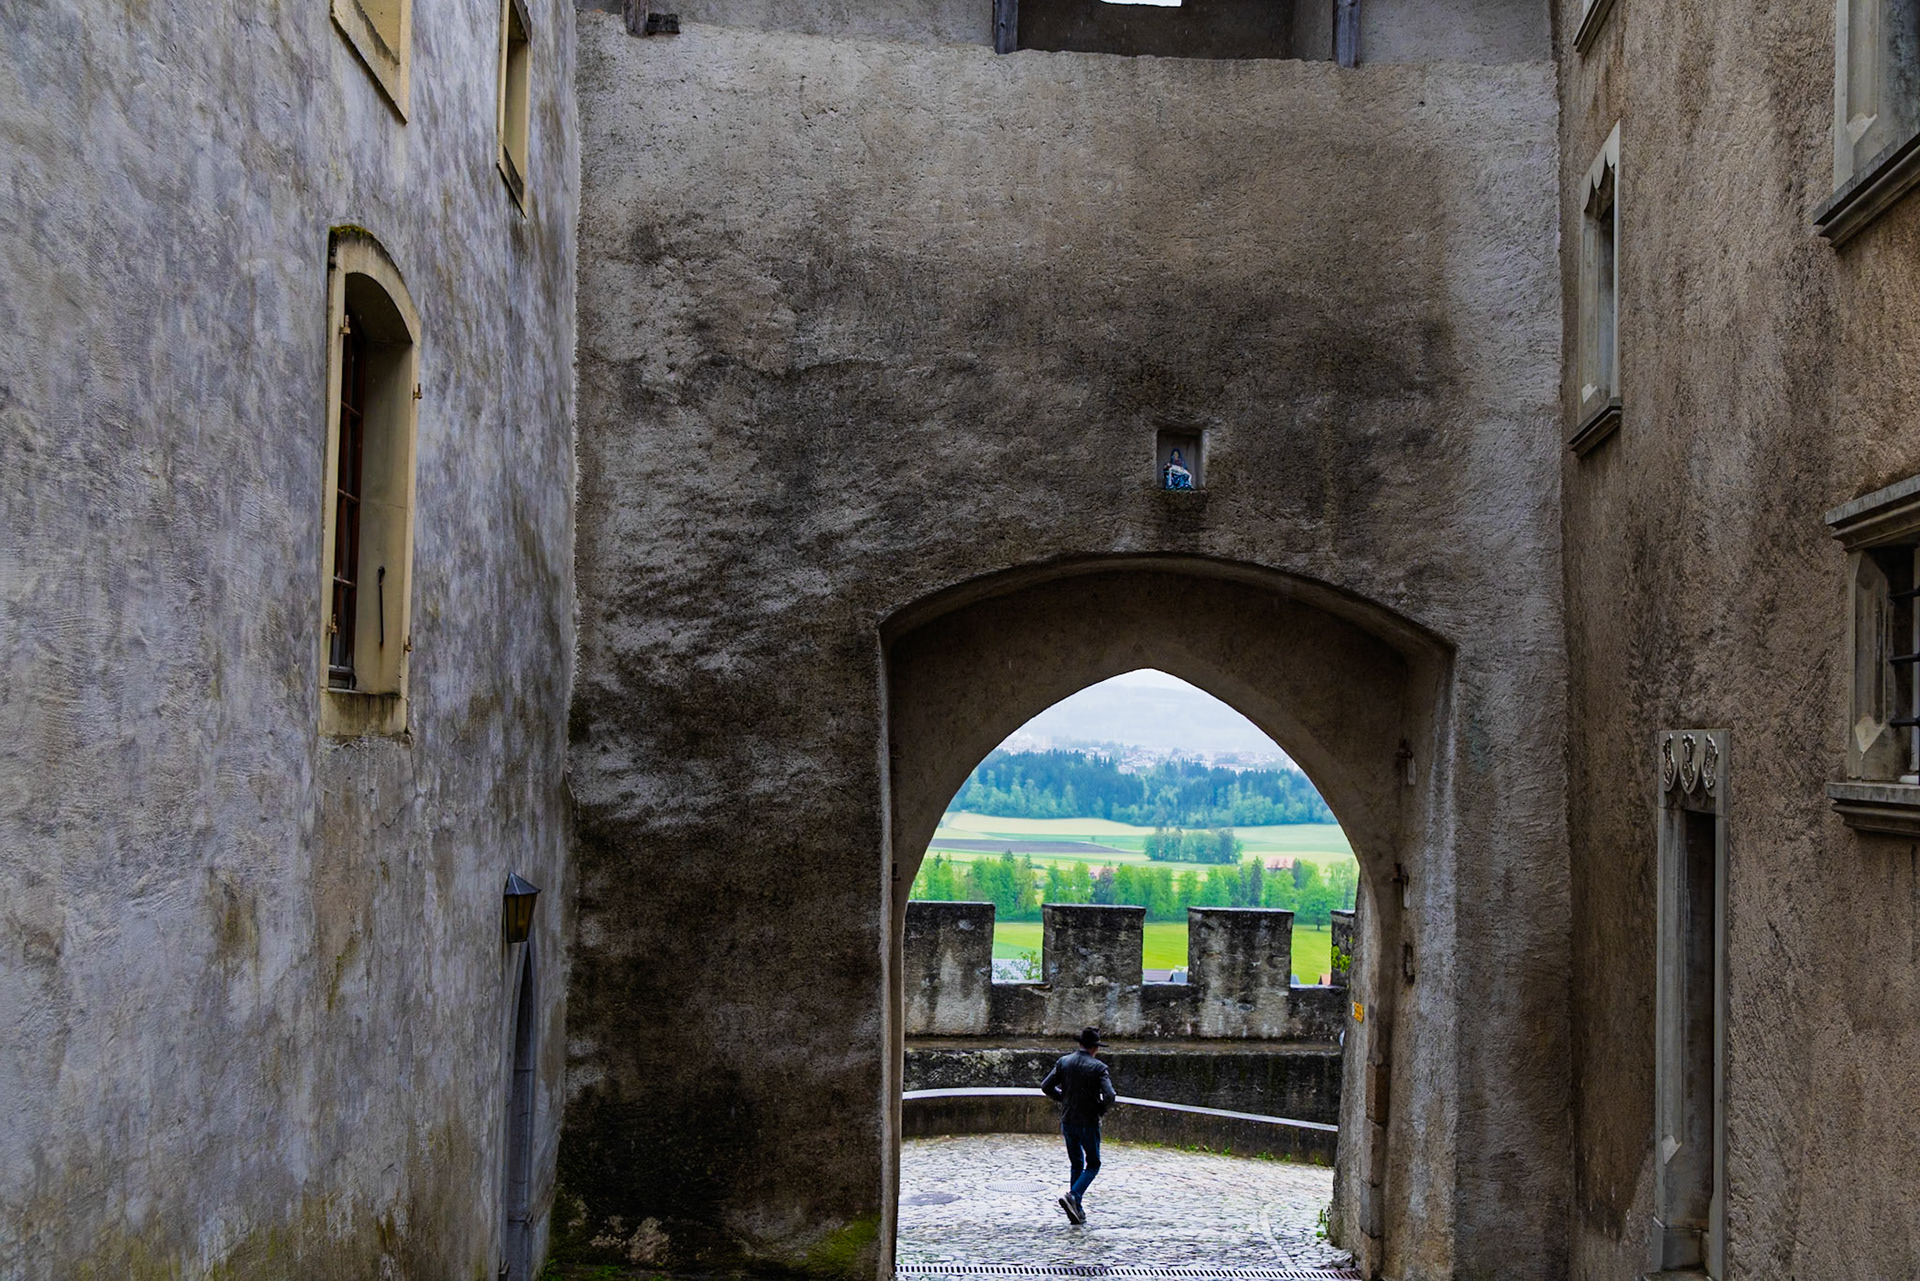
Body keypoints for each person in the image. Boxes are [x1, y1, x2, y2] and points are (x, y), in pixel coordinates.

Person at [1039, 1026, 1116, 1224]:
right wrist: (1099, 1109)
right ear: (1095, 1048)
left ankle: (1076, 1208)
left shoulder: (1064, 1062)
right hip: (1088, 1123)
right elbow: (1110, 1095)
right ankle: (1074, 1196)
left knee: (1076, 1163)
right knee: (1093, 1164)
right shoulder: (1099, 1068)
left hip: (1068, 1120)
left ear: (1080, 1044)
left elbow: (1046, 1086)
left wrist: (1063, 1099)